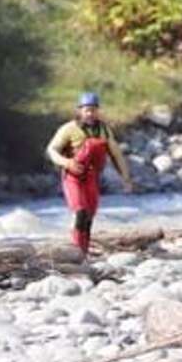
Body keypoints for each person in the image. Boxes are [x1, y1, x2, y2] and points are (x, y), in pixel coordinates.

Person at [45, 92, 132, 256]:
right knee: (80, 212)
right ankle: (77, 251)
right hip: (73, 177)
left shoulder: (104, 129)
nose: (91, 113)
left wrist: (126, 178)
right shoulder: (68, 129)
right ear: (80, 111)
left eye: (94, 110)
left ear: (98, 110)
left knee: (89, 217)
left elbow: (116, 154)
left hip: (92, 177)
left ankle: (83, 253)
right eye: (87, 110)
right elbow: (51, 150)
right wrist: (67, 162)